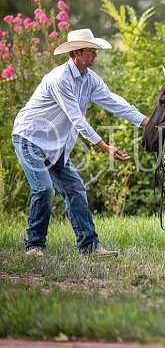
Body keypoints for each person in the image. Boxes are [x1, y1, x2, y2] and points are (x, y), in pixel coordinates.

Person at [12, 28, 149, 257]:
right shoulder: (60, 78)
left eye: (95, 51)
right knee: (44, 189)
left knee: (75, 189)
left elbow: (114, 101)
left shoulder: (90, 79)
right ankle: (34, 246)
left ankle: (89, 247)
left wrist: (148, 121)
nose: (95, 55)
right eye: (90, 51)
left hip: (56, 146)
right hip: (30, 138)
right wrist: (104, 147)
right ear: (76, 53)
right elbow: (77, 119)